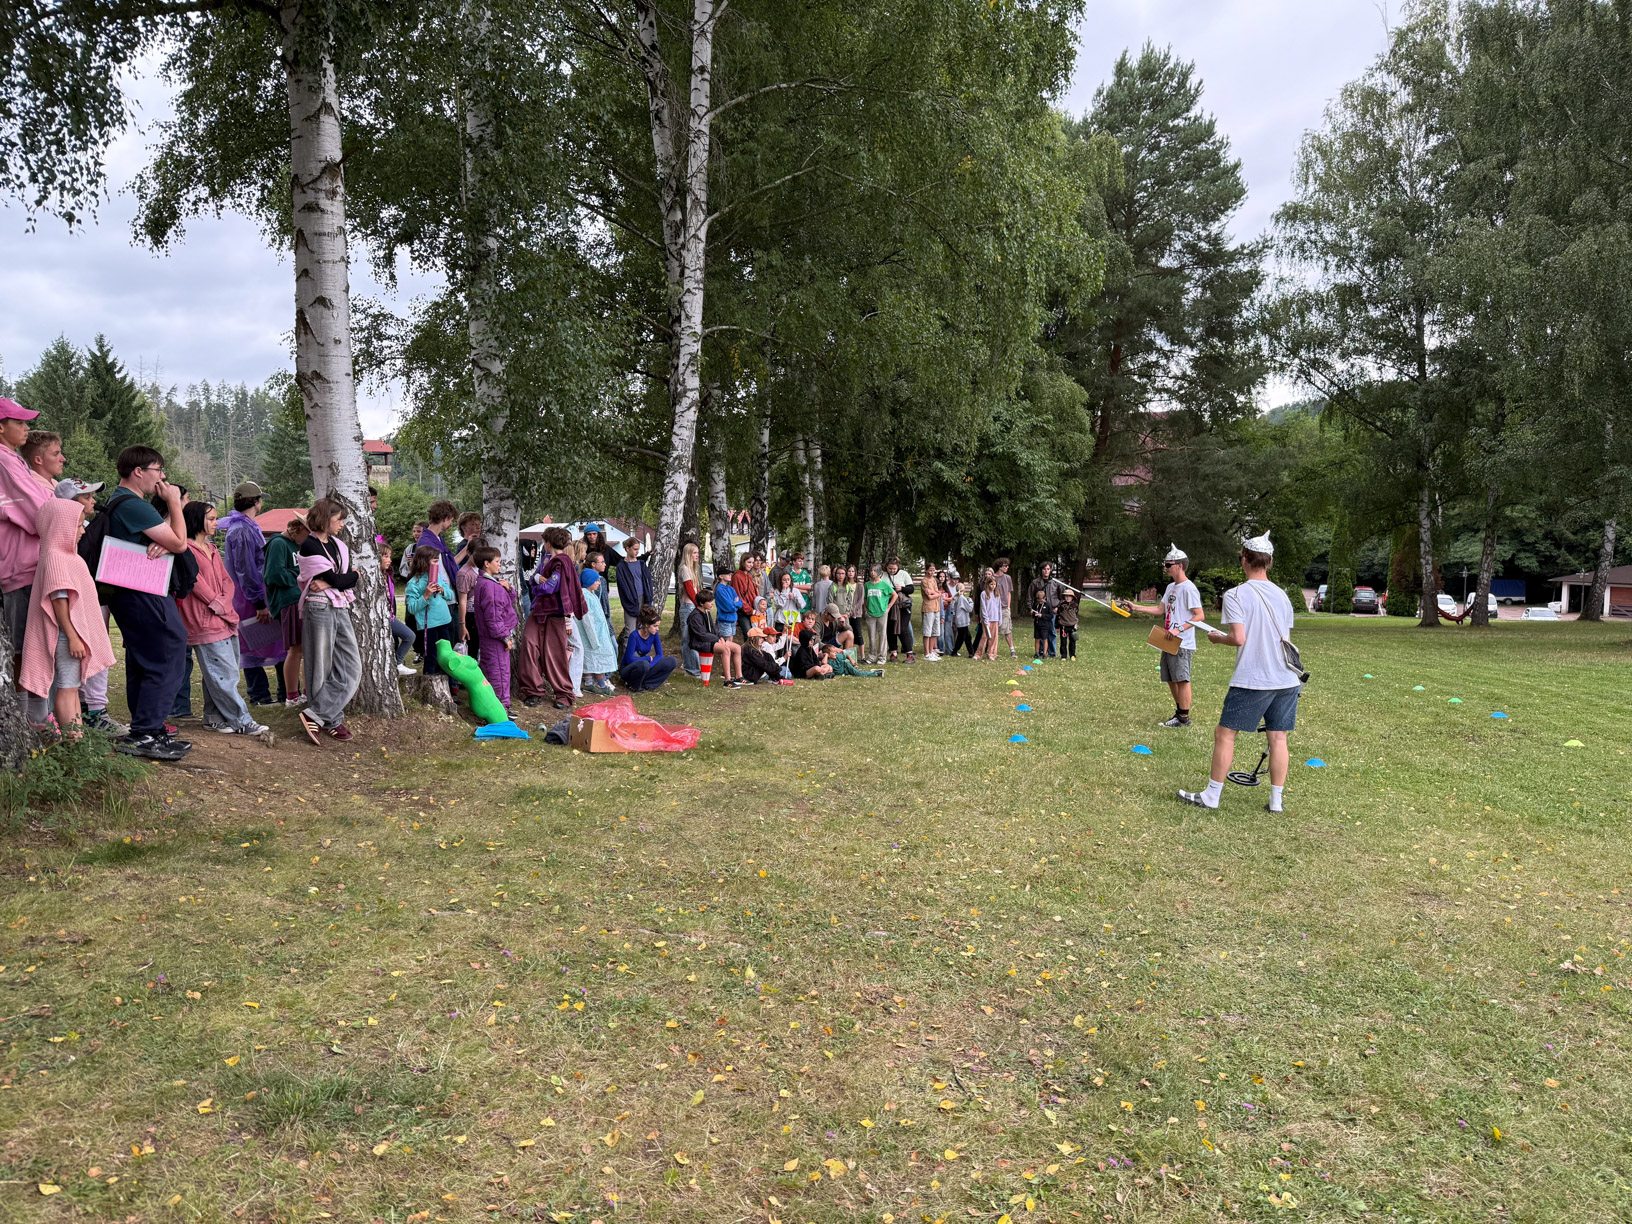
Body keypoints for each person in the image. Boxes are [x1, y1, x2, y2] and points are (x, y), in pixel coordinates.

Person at [1180, 533, 1301, 815]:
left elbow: (1238, 638)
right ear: (1269, 562)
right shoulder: (1283, 595)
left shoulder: (1235, 594)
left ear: (1245, 560)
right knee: (1278, 738)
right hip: (1287, 678)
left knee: (1225, 733)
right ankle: (1276, 802)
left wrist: (1217, 638)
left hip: (1254, 678)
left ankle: (1212, 796)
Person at [98, 446, 191, 760]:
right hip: (144, 591)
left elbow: (170, 542)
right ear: (138, 471)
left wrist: (165, 544)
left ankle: (147, 728)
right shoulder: (134, 505)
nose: (162, 477)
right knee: (168, 653)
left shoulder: (119, 501)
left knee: (144, 660)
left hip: (128, 592)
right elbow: (180, 542)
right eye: (158, 470)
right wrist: (174, 502)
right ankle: (144, 733)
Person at [18, 497, 114, 737]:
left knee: (72, 687)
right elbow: (58, 599)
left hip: (69, 634)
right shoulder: (56, 557)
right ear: (61, 526)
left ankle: (76, 739)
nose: (83, 531)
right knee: (68, 688)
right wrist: (73, 637)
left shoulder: (64, 555)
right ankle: (74, 742)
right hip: (65, 635)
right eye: (78, 525)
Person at [178, 501, 271, 738]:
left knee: (220, 672)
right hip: (204, 619)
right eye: (210, 519)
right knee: (223, 675)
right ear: (196, 520)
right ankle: (242, 720)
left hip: (224, 618)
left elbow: (227, 580)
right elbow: (196, 582)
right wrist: (217, 604)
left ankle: (213, 718)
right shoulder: (185, 549)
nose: (216, 523)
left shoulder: (211, 548)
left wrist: (225, 603)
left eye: (216, 518)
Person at [1, 401, 55, 723]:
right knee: (24, 647)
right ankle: (29, 721)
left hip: (25, 564)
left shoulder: (13, 459)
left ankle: (35, 717)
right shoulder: (4, 461)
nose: (26, 428)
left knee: (34, 645)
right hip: (20, 566)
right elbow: (41, 513)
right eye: (19, 422)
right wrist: (69, 516)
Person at [295, 497, 362, 745]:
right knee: (319, 667)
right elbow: (342, 580)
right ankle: (331, 720)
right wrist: (347, 577)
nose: (342, 524)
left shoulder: (336, 544)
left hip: (339, 605)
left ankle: (316, 715)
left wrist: (335, 580)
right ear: (325, 519)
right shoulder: (309, 545)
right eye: (339, 519)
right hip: (319, 608)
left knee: (352, 666)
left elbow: (339, 580)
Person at [219, 481, 287, 706]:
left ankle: (282, 693)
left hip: (255, 594)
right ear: (257, 502)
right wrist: (259, 603)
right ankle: (259, 695)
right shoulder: (242, 530)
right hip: (249, 597)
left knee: (272, 642)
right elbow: (246, 570)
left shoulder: (245, 526)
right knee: (253, 643)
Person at [1127, 544, 1205, 728]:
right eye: (1165, 564)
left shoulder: (1189, 588)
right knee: (1170, 678)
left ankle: (1183, 717)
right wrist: (1136, 607)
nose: (1165, 567)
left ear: (1180, 565)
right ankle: (1179, 712)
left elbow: (1200, 616)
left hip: (1182, 642)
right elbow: (1160, 609)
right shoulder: (1171, 587)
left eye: (1168, 564)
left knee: (1182, 679)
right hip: (1167, 640)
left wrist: (1179, 629)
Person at [518, 525, 583, 710]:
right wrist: (537, 580)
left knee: (555, 654)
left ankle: (563, 693)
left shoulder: (563, 563)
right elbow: (534, 578)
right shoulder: (546, 559)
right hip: (538, 610)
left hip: (556, 613)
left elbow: (550, 587)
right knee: (529, 645)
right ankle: (532, 690)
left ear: (548, 543)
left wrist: (537, 585)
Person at [265, 515, 309, 707]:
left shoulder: (298, 545)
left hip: (303, 598)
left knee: (308, 649)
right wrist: (298, 576)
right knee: (296, 648)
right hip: (289, 599)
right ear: (300, 529)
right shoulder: (278, 543)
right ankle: (292, 695)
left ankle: (307, 692)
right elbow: (273, 575)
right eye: (308, 533)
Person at [470, 544, 519, 709]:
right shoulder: (490, 587)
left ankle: (490, 705)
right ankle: (501, 709)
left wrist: (509, 589)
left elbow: (505, 603)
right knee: (499, 673)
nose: (500, 564)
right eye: (497, 561)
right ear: (487, 564)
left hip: (490, 637)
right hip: (495, 639)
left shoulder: (487, 582)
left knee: (490, 671)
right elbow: (493, 617)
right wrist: (504, 637)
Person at [406, 544, 457, 678]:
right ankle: (429, 682)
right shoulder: (414, 583)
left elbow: (450, 595)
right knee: (431, 656)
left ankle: (447, 684)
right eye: (435, 561)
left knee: (446, 655)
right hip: (429, 625)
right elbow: (411, 608)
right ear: (424, 562)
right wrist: (425, 596)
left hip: (444, 621)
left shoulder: (437, 576)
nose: (437, 564)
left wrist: (442, 590)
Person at [685, 585, 744, 687]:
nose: (712, 603)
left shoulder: (706, 613)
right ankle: (727, 680)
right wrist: (717, 640)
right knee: (725, 650)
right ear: (701, 603)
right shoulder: (695, 616)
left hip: (711, 640)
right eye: (709, 602)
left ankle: (739, 676)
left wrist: (721, 638)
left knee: (737, 648)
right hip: (700, 643)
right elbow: (701, 635)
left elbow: (714, 629)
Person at [577, 553, 618, 696]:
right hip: (593, 634)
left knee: (592, 658)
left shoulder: (591, 595)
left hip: (597, 632)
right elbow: (587, 619)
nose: (599, 583)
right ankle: (601, 684)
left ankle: (589, 682)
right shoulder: (586, 597)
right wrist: (594, 638)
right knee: (596, 658)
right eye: (596, 581)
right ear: (589, 581)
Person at [620, 604, 678, 691]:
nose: (657, 629)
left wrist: (651, 665)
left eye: (658, 626)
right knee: (644, 664)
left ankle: (649, 684)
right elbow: (629, 660)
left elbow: (659, 654)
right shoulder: (634, 636)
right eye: (655, 626)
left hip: (645, 666)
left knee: (672, 661)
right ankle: (634, 685)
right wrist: (647, 659)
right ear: (647, 625)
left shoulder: (654, 634)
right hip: (629, 669)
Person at [379, 543, 416, 676]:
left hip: (389, 615)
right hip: (383, 617)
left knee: (397, 641)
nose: (389, 560)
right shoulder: (376, 577)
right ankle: (398, 663)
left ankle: (394, 664)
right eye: (385, 556)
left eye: (390, 556)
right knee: (409, 636)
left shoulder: (387, 576)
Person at [454, 513, 484, 660]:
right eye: (473, 524)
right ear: (464, 527)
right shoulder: (464, 546)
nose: (477, 527)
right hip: (468, 595)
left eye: (479, 524)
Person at [615, 537, 655, 637]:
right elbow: (622, 586)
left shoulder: (641, 564)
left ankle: (640, 647)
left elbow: (647, 581)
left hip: (644, 598)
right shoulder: (621, 566)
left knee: (643, 627)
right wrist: (628, 600)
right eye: (635, 549)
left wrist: (648, 598)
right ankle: (629, 647)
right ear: (627, 549)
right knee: (630, 630)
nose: (637, 552)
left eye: (638, 549)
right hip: (630, 600)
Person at [677, 541, 702, 678]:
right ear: (688, 554)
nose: (697, 555)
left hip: (692, 606)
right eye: (694, 553)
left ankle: (693, 667)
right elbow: (690, 590)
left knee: (693, 637)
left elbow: (695, 590)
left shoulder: (693, 569)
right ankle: (691, 669)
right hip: (688, 607)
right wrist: (699, 604)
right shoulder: (685, 569)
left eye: (697, 553)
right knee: (687, 639)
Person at [1027, 562, 1063, 660]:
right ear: (1041, 570)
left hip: (1052, 611)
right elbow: (1029, 596)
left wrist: (1058, 607)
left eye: (1048, 569)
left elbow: (1062, 597)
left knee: (1051, 631)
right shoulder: (1035, 582)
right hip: (1039, 610)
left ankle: (1052, 651)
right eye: (1044, 569)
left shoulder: (1056, 583)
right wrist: (1031, 609)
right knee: (1040, 631)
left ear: (1050, 570)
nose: (1046, 571)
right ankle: (1041, 651)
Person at [862, 563, 895, 664]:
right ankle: (872, 657)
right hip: (870, 613)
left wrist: (888, 607)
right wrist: (865, 610)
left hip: (882, 613)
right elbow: (865, 598)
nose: (873, 573)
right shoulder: (867, 585)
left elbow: (895, 595)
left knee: (882, 635)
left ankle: (882, 657)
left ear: (880, 572)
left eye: (875, 571)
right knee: (871, 636)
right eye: (871, 570)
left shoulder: (884, 584)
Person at [884, 558, 914, 662]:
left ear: (898, 567)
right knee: (890, 629)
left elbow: (911, 589)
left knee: (902, 629)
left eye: (894, 568)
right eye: (890, 568)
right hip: (889, 605)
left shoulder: (903, 574)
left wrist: (901, 588)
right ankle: (893, 652)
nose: (892, 570)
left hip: (902, 606)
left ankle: (909, 653)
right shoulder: (883, 575)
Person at [992, 557, 1017, 658]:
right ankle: (992, 650)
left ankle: (1012, 650)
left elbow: (1009, 593)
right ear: (999, 567)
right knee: (994, 629)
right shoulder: (992, 577)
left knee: (1007, 629)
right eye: (1005, 566)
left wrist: (1008, 606)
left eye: (1007, 566)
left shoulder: (1008, 578)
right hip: (994, 607)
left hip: (1004, 607)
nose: (1007, 567)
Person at [919, 563, 943, 661]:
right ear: (926, 570)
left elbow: (935, 592)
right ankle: (927, 653)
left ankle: (931, 651)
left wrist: (935, 593)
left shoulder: (934, 580)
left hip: (936, 607)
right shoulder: (924, 581)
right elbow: (929, 596)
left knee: (935, 632)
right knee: (927, 631)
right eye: (930, 570)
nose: (931, 572)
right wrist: (938, 594)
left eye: (933, 570)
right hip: (928, 608)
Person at [770, 569, 805, 633]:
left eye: (788, 579)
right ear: (780, 581)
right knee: (780, 638)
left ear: (791, 580)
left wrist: (795, 597)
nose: (786, 582)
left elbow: (802, 605)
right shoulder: (777, 592)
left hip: (793, 621)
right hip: (781, 621)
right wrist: (784, 591)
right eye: (784, 580)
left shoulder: (795, 591)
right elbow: (780, 605)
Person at [947, 580, 976, 658]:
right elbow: (969, 609)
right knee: (962, 637)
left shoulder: (956, 597)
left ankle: (971, 652)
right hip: (963, 621)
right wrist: (970, 601)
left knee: (967, 637)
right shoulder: (962, 598)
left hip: (959, 620)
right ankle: (956, 651)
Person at [713, 570, 744, 643]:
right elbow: (729, 607)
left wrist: (734, 604)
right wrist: (735, 604)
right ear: (721, 576)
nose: (730, 576)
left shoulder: (731, 588)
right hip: (725, 619)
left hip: (733, 618)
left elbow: (740, 602)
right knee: (726, 642)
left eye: (730, 574)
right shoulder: (720, 590)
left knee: (730, 641)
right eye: (727, 574)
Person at [978, 575, 1003, 660]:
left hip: (995, 618)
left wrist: (1000, 619)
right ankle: (979, 653)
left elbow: (999, 607)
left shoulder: (997, 594)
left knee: (994, 637)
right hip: (987, 619)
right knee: (985, 636)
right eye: (991, 584)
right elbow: (983, 608)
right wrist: (985, 619)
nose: (993, 586)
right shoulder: (983, 594)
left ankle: (992, 653)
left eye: (994, 584)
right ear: (988, 584)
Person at [1057, 588, 1080, 661]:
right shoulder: (1061, 605)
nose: (1067, 598)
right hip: (1063, 626)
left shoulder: (1075, 605)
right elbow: (1058, 616)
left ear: (1072, 597)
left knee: (1072, 642)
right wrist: (1057, 626)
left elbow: (1076, 616)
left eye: (1069, 596)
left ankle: (1072, 655)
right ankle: (1063, 656)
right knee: (1063, 642)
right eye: (1066, 596)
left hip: (1072, 626)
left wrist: (1076, 624)